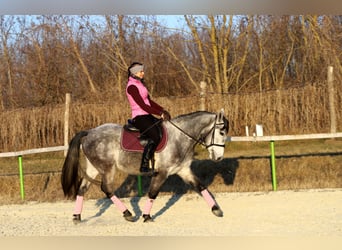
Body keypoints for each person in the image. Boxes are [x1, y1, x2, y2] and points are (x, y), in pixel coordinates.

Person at [125, 62, 171, 174]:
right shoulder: (131, 87)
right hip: (139, 117)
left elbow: (149, 101)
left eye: (142, 71)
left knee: (164, 129)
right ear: (134, 72)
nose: (143, 73)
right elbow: (142, 105)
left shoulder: (140, 84)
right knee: (155, 135)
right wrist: (159, 114)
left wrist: (162, 110)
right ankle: (144, 166)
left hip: (146, 115)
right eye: (141, 71)